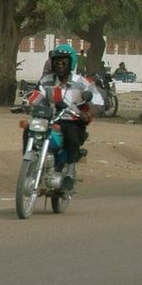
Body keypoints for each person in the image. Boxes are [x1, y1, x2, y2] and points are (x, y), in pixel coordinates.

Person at [26, 44, 97, 192]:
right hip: (49, 119)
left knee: (71, 135)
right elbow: (37, 95)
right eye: (57, 61)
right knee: (28, 129)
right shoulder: (46, 81)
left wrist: (88, 113)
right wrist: (27, 104)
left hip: (73, 120)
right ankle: (28, 166)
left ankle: (69, 174)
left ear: (71, 62)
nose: (60, 65)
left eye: (64, 61)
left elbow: (98, 102)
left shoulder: (82, 82)